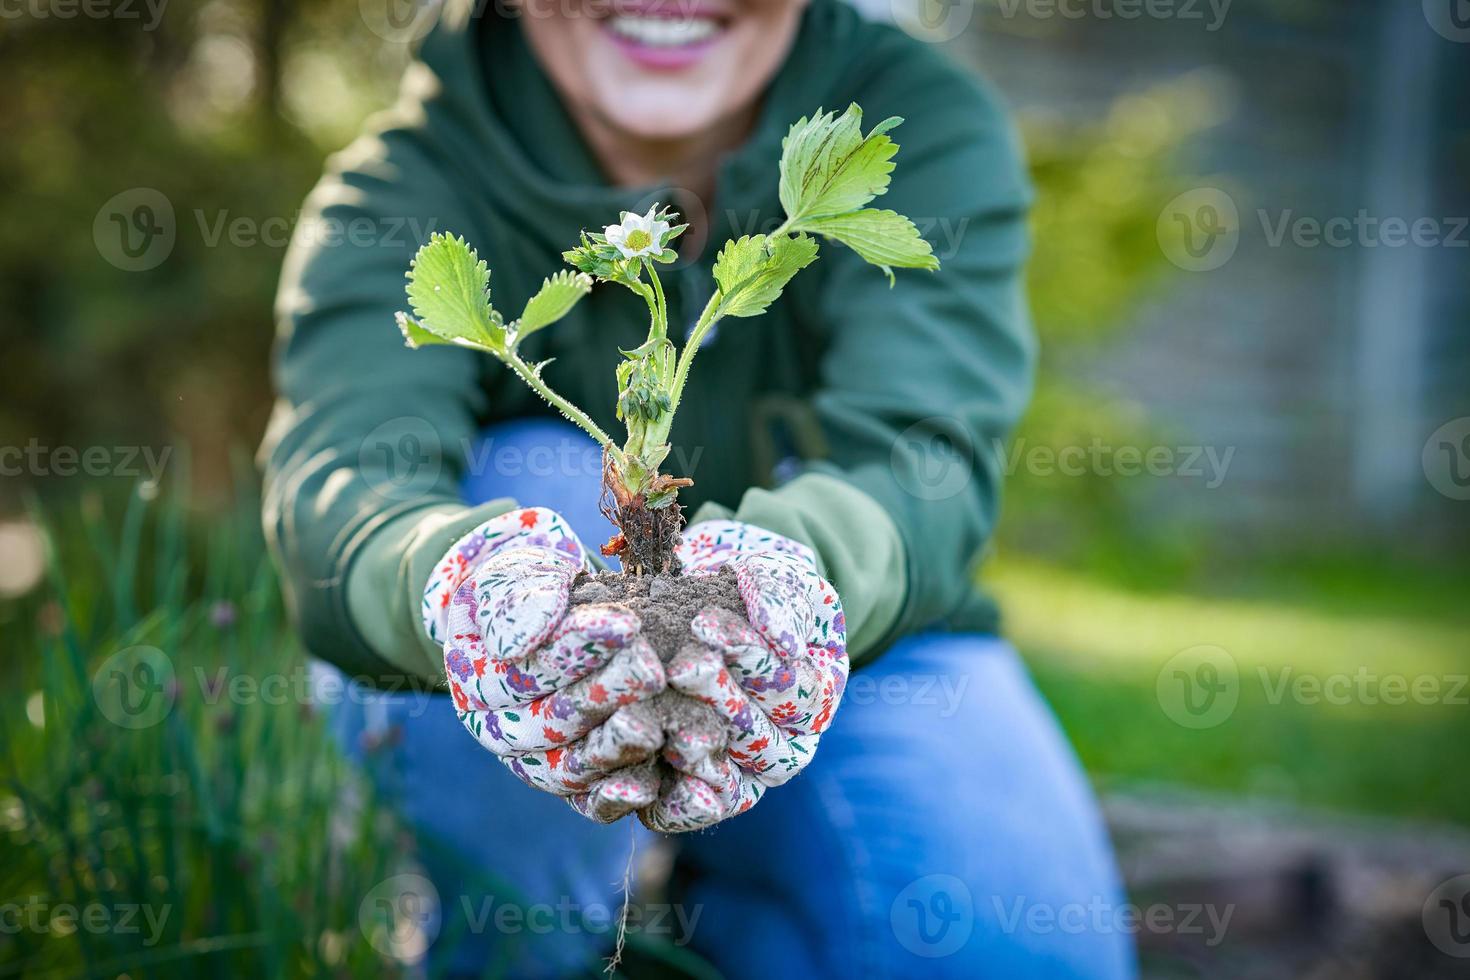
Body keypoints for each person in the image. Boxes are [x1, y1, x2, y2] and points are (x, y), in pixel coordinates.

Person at [261, 0, 1137, 975]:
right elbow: (341, 491)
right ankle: (520, 939)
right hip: (515, 657)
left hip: (863, 629)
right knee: (540, 484)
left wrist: (787, 580)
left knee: (1007, 941)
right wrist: (459, 584)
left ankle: (722, 916)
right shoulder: (403, 182)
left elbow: (922, 460)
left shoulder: (912, 119)